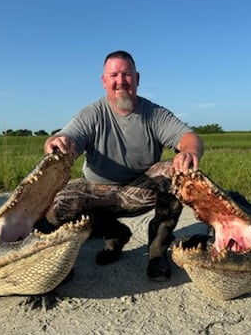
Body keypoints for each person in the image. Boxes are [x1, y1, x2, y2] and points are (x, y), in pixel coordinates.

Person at [44, 50, 204, 281]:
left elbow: (189, 138)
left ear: (137, 79)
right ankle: (113, 234)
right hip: (98, 192)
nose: (121, 81)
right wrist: (58, 143)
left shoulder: (155, 114)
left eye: (127, 75)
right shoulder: (91, 114)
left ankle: (157, 251)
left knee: (175, 171)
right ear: (104, 81)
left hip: (139, 190)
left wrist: (188, 152)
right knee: (58, 202)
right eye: (114, 75)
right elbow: (68, 139)